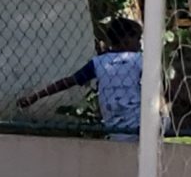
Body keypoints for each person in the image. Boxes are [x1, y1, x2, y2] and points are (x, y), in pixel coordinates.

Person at [18, 15, 147, 139]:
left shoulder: (99, 62)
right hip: (139, 126)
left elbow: (68, 82)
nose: (140, 44)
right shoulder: (139, 60)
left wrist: (35, 96)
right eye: (138, 39)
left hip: (113, 129)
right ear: (126, 40)